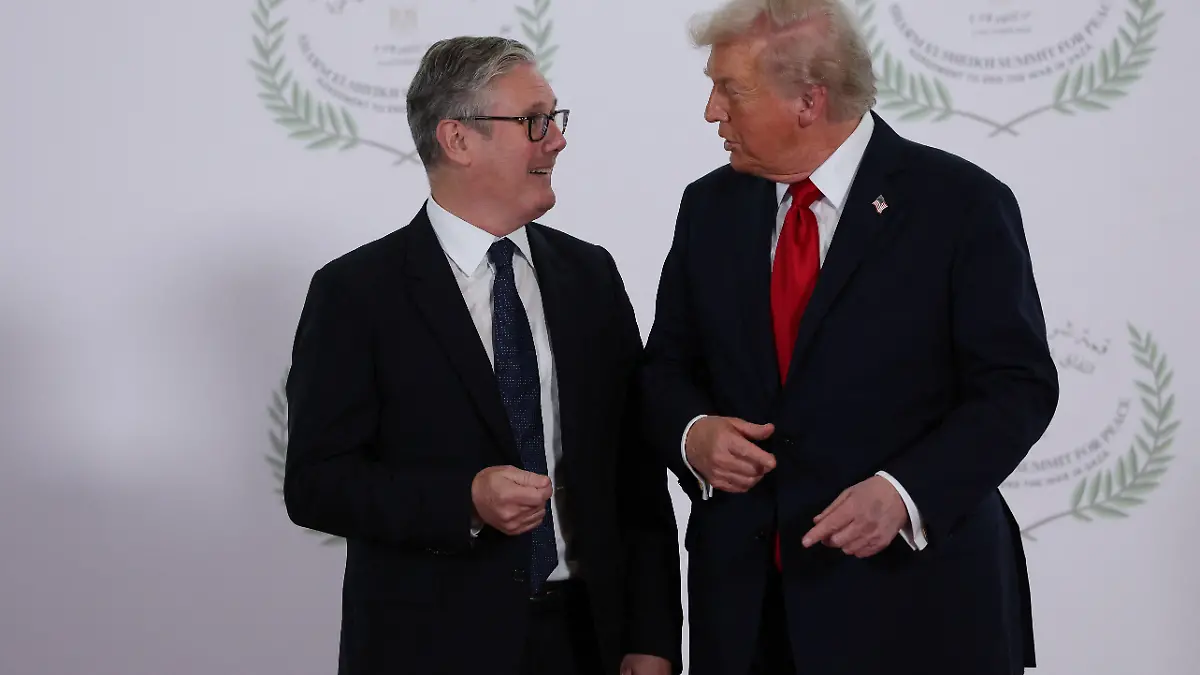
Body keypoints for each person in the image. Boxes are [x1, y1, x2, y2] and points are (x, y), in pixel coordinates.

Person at [640, 1, 1059, 674]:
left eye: (730, 89)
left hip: (917, 607)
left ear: (809, 100)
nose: (712, 112)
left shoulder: (960, 205)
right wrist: (694, 434)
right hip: (749, 616)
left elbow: (1016, 387)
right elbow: (664, 369)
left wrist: (904, 492)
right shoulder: (709, 207)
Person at [284, 36, 681, 675]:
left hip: (589, 642)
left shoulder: (589, 276)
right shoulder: (356, 293)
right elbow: (316, 484)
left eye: (555, 119)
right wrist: (463, 500)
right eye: (533, 121)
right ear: (457, 139)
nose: (556, 140)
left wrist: (653, 637)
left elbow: (635, 475)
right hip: (428, 648)